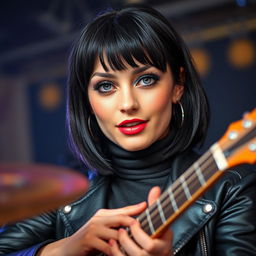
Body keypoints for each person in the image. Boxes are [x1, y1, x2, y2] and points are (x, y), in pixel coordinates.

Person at [0, 4, 256, 256]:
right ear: (88, 101)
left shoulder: (232, 187)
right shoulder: (59, 190)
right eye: (105, 87)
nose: (128, 104)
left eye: (146, 80)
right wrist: (65, 249)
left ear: (177, 86)